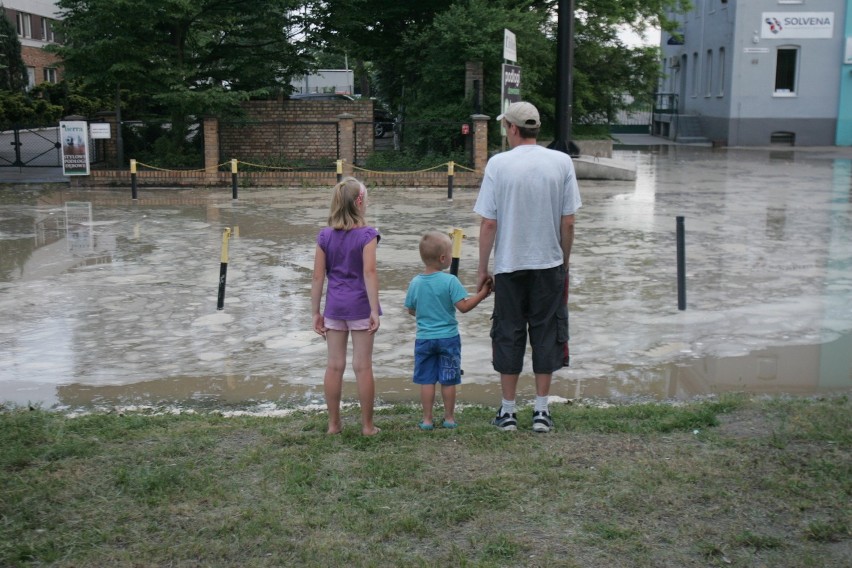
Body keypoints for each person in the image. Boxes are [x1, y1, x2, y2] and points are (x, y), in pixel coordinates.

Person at [473, 101, 582, 433]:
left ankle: (507, 412)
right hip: (549, 265)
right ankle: (541, 411)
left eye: (505, 126)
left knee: (509, 332)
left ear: (513, 128)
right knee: (547, 332)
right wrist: (563, 261)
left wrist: (482, 268)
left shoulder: (498, 164)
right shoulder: (562, 162)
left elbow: (489, 224)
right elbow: (569, 222)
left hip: (508, 266)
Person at [311, 177, 381, 436]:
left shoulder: (325, 235)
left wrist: (315, 312)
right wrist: (374, 310)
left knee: (334, 365)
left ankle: (333, 424)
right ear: (360, 202)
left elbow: (318, 276)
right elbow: (369, 272)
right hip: (360, 306)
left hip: (334, 308)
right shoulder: (367, 235)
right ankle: (367, 426)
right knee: (362, 366)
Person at [405, 231, 492, 430]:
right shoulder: (450, 281)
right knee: (448, 379)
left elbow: (411, 309)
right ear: (443, 258)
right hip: (448, 339)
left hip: (424, 339)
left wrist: (426, 314)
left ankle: (427, 420)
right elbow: (464, 306)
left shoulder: (415, 282)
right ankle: (449, 418)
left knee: (427, 380)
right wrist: (483, 293)